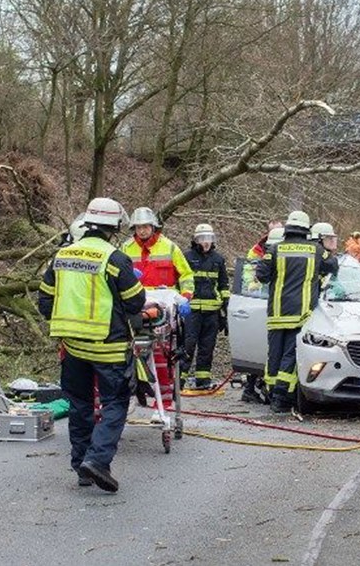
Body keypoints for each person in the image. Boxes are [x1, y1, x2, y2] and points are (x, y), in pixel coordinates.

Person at [37, 197, 145, 492]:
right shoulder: (115, 259)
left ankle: (82, 466)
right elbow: (136, 301)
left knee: (80, 405)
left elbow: (44, 302)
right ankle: (97, 460)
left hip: (72, 348)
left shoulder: (61, 256)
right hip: (107, 347)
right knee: (115, 403)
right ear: (115, 227)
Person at [256, 211, 338, 413]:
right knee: (290, 357)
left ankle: (272, 394)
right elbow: (333, 266)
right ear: (306, 229)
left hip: (276, 314)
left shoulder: (274, 249)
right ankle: (281, 398)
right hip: (301, 315)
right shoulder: (316, 250)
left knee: (274, 356)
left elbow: (261, 275)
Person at [122, 206, 194, 420]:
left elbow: (186, 274)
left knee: (162, 360)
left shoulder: (170, 247)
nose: (142, 231)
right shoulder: (125, 248)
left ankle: (163, 406)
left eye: (145, 226)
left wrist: (185, 297)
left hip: (163, 311)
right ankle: (130, 398)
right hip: (133, 310)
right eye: (138, 227)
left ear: (153, 226)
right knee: (127, 358)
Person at [240, 225, 285, 404]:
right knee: (265, 350)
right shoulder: (257, 253)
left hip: (274, 304)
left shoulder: (277, 252)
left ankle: (255, 387)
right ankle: (255, 388)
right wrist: (256, 288)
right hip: (261, 302)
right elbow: (250, 276)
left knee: (268, 351)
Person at [183, 223, 229, 390]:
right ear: (196, 240)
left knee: (207, 348)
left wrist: (226, 308)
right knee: (188, 345)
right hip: (192, 311)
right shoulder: (187, 257)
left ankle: (203, 380)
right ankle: (179, 379)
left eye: (209, 238)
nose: (206, 242)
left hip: (212, 313)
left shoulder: (218, 259)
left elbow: (224, 285)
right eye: (202, 239)